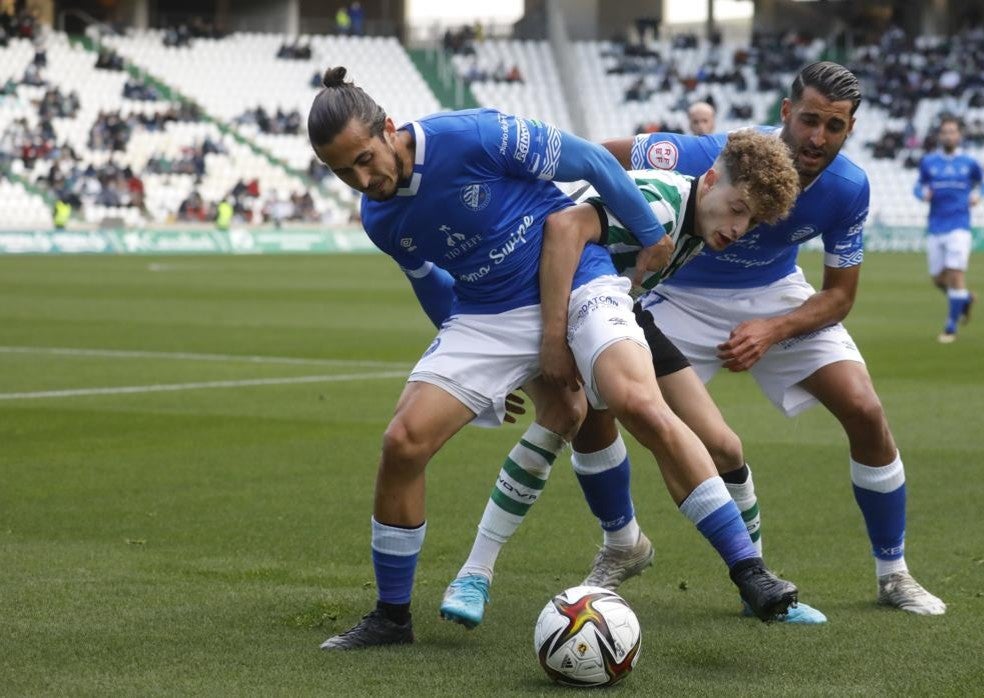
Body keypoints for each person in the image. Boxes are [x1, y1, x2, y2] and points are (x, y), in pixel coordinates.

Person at [306, 66, 797, 650]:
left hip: (578, 281)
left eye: (365, 158)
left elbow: (590, 160)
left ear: (388, 128)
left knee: (634, 400)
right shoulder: (379, 218)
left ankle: (750, 572)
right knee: (402, 442)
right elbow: (430, 283)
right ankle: (391, 618)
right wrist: (477, 373)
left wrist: (648, 232)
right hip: (486, 314)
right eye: (343, 172)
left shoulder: (474, 135)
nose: (362, 178)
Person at [607, 61, 947, 615]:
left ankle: (894, 575)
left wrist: (772, 328)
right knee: (602, 400)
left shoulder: (848, 188)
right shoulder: (717, 152)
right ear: (786, 112)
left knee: (864, 408)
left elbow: (839, 296)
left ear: (850, 129)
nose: (817, 138)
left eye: (833, 127)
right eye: (809, 120)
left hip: (777, 296)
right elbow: (602, 154)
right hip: (680, 297)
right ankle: (620, 542)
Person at [439, 130, 808, 628]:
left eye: (752, 220)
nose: (740, 228)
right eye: (738, 209)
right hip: (550, 295)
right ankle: (477, 571)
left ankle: (750, 582)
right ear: (712, 180)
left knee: (723, 445)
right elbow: (565, 227)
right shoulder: (662, 206)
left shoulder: (698, 219)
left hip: (619, 307)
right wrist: (551, 340)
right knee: (566, 417)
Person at [915, 116, 984, 344]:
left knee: (956, 275)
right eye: (945, 132)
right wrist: (922, 194)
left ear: (959, 136)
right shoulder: (929, 162)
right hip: (936, 226)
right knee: (938, 279)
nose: (949, 135)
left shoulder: (969, 162)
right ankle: (963, 299)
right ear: (940, 136)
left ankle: (951, 327)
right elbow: (918, 185)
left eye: (952, 132)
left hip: (959, 226)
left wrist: (978, 195)